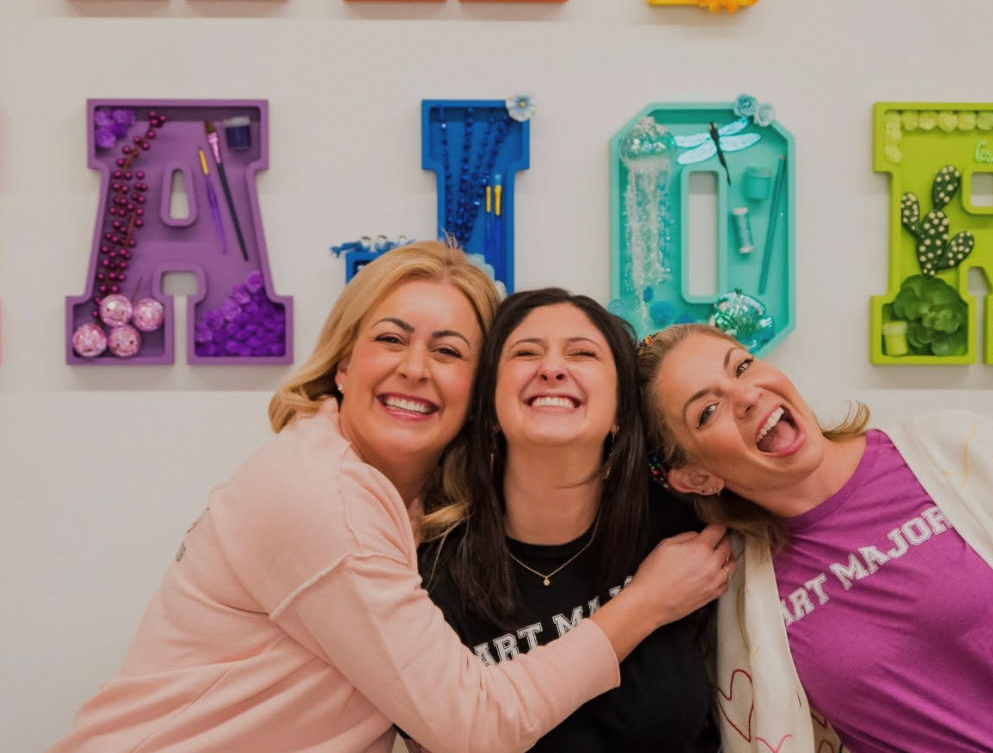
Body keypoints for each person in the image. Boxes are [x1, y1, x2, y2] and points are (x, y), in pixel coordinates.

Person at [47, 245, 735, 753]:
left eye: (448, 350)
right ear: (343, 364)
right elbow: (473, 727)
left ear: (476, 389)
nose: (414, 367)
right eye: (390, 339)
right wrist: (644, 604)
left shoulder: (426, 507)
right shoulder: (322, 496)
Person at [638, 323, 993, 753]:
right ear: (695, 477)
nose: (747, 395)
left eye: (743, 366)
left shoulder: (956, 450)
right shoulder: (739, 598)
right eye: (707, 411)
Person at [420, 289, 721, 752]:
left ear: (622, 412)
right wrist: (648, 602)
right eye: (526, 353)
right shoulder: (427, 568)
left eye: (582, 353)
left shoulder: (685, 526)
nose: (553, 368)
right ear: (491, 408)